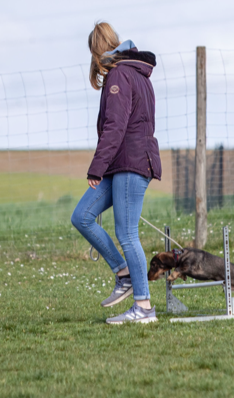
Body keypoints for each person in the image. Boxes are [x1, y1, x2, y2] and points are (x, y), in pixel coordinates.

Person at [71, 22, 162, 324]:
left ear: (98, 50)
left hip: (131, 163)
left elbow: (115, 127)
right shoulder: (132, 73)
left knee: (127, 233)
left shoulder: (121, 75)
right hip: (121, 164)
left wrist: (96, 167)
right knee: (82, 216)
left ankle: (144, 307)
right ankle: (123, 274)